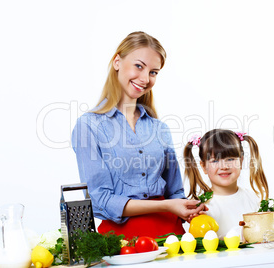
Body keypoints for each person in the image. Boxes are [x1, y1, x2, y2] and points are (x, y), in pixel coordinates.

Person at [71, 31, 205, 239]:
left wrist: (191, 209)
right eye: (139, 66)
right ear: (117, 61)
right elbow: (100, 199)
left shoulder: (159, 128)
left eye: (153, 72)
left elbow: (175, 191)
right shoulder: (89, 126)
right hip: (122, 240)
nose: (145, 79)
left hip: (173, 236)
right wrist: (168, 205)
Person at [184, 129, 269, 239]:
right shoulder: (202, 208)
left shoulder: (253, 198)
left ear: (241, 161)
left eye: (230, 159)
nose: (224, 166)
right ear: (204, 166)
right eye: (215, 161)